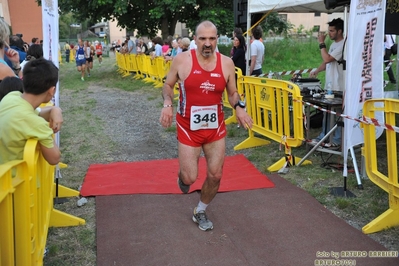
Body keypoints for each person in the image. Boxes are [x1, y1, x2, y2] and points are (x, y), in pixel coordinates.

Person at [159, 20, 253, 231]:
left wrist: (238, 106)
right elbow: (168, 84)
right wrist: (167, 104)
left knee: (216, 174)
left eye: (212, 38)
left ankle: (200, 209)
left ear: (217, 39)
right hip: (188, 128)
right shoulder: (182, 60)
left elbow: (232, 92)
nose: (207, 43)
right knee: (190, 177)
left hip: (215, 128)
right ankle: (183, 175)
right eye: (203, 39)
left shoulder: (227, 63)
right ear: (195, 40)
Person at [0, 58, 62, 165]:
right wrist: (46, 132)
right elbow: (54, 158)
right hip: (15, 179)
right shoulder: (36, 124)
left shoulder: (11, 97)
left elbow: (36, 112)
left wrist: (55, 109)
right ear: (52, 91)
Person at [309, 18, 345, 148]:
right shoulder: (333, 44)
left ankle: (337, 140)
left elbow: (327, 58)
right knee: (326, 112)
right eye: (329, 30)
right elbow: (326, 62)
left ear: (339, 31)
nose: (329, 33)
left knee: (338, 115)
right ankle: (324, 137)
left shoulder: (343, 44)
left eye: (332, 31)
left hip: (339, 86)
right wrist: (317, 70)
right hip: (330, 85)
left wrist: (321, 43)